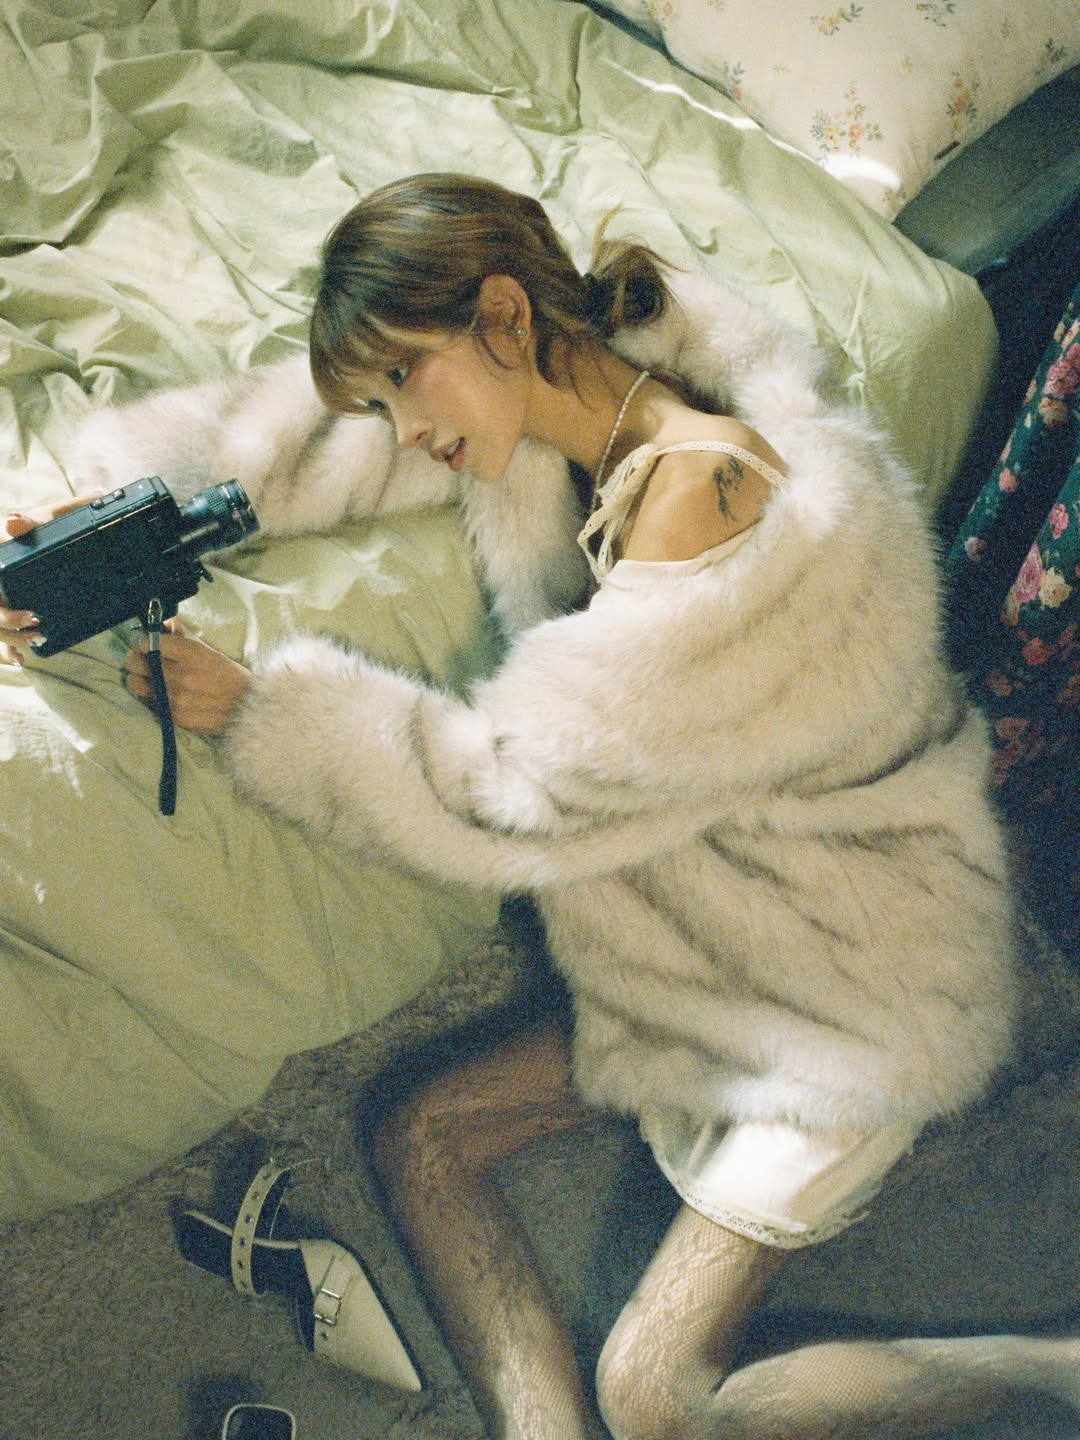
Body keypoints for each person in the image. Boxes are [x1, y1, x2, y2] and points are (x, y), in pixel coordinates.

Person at [3, 173, 1077, 1438]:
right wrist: (120, 528)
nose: (406, 430)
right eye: (383, 397)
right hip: (707, 936)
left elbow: (512, 800)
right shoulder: (584, 407)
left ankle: (1055, 1368)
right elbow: (315, 454)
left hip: (857, 971)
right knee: (423, 1141)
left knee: (651, 1395)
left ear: (507, 316)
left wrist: (258, 711)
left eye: (406, 379)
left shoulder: (708, 509)